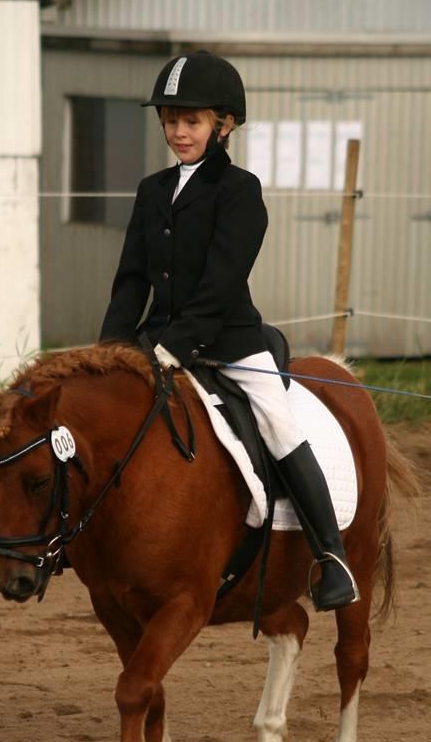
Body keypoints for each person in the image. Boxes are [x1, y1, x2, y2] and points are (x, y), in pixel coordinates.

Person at [99, 51, 358, 612]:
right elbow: (131, 280)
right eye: (170, 120)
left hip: (230, 342)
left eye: (190, 121)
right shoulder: (151, 190)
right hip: (154, 342)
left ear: (224, 124)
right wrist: (111, 352)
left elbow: (221, 283)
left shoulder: (240, 190)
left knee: (279, 425)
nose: (178, 131)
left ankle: (330, 555)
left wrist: (174, 346)